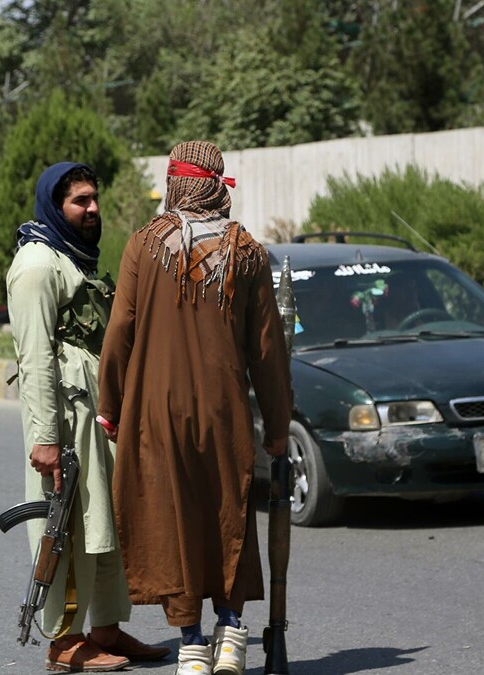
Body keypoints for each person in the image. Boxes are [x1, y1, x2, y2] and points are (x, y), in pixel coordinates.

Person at [97, 141, 294, 675]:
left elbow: (119, 333)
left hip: (157, 415)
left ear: (174, 183)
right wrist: (277, 427)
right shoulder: (248, 251)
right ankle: (230, 631)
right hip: (224, 411)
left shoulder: (143, 245)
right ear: (217, 185)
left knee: (175, 520)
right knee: (227, 514)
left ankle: (190, 641)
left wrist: (109, 406)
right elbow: (268, 353)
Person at [7, 162, 169, 672]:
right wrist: (45, 438)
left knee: (103, 521)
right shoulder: (36, 266)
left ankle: (105, 630)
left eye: (94, 199)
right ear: (56, 207)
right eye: (80, 201)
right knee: (68, 525)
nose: (92, 208)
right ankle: (63, 640)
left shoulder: (71, 258)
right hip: (65, 418)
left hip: (93, 413)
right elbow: (33, 359)